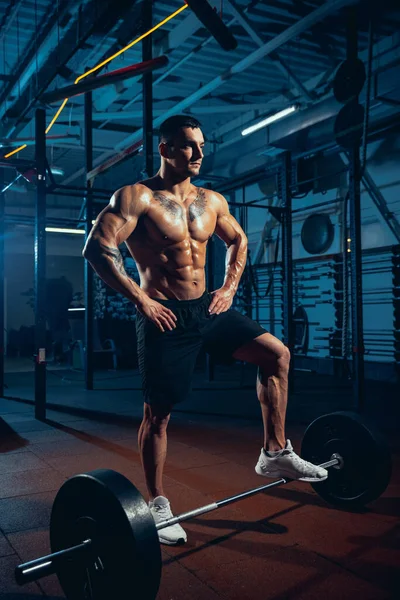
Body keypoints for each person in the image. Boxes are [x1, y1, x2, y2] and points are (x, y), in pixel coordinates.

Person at [83, 115, 328, 546]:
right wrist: (142, 300)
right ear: (164, 149)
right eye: (187, 146)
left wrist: (230, 288)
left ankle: (273, 453)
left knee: (277, 355)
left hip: (209, 310)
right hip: (166, 316)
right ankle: (158, 503)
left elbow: (238, 240)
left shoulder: (212, 201)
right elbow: (97, 248)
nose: (198, 153)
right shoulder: (137, 197)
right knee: (158, 416)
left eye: (201, 145)